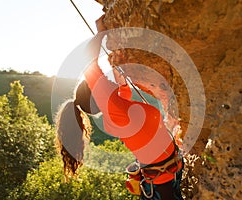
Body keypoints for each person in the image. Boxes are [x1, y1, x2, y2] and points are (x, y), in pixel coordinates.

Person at [55, 15, 184, 199]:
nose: (106, 80)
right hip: (164, 189)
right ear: (98, 96)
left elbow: (123, 93)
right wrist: (101, 33)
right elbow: (88, 65)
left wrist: (120, 74)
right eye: (103, 83)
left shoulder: (116, 112)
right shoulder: (114, 111)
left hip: (165, 181)